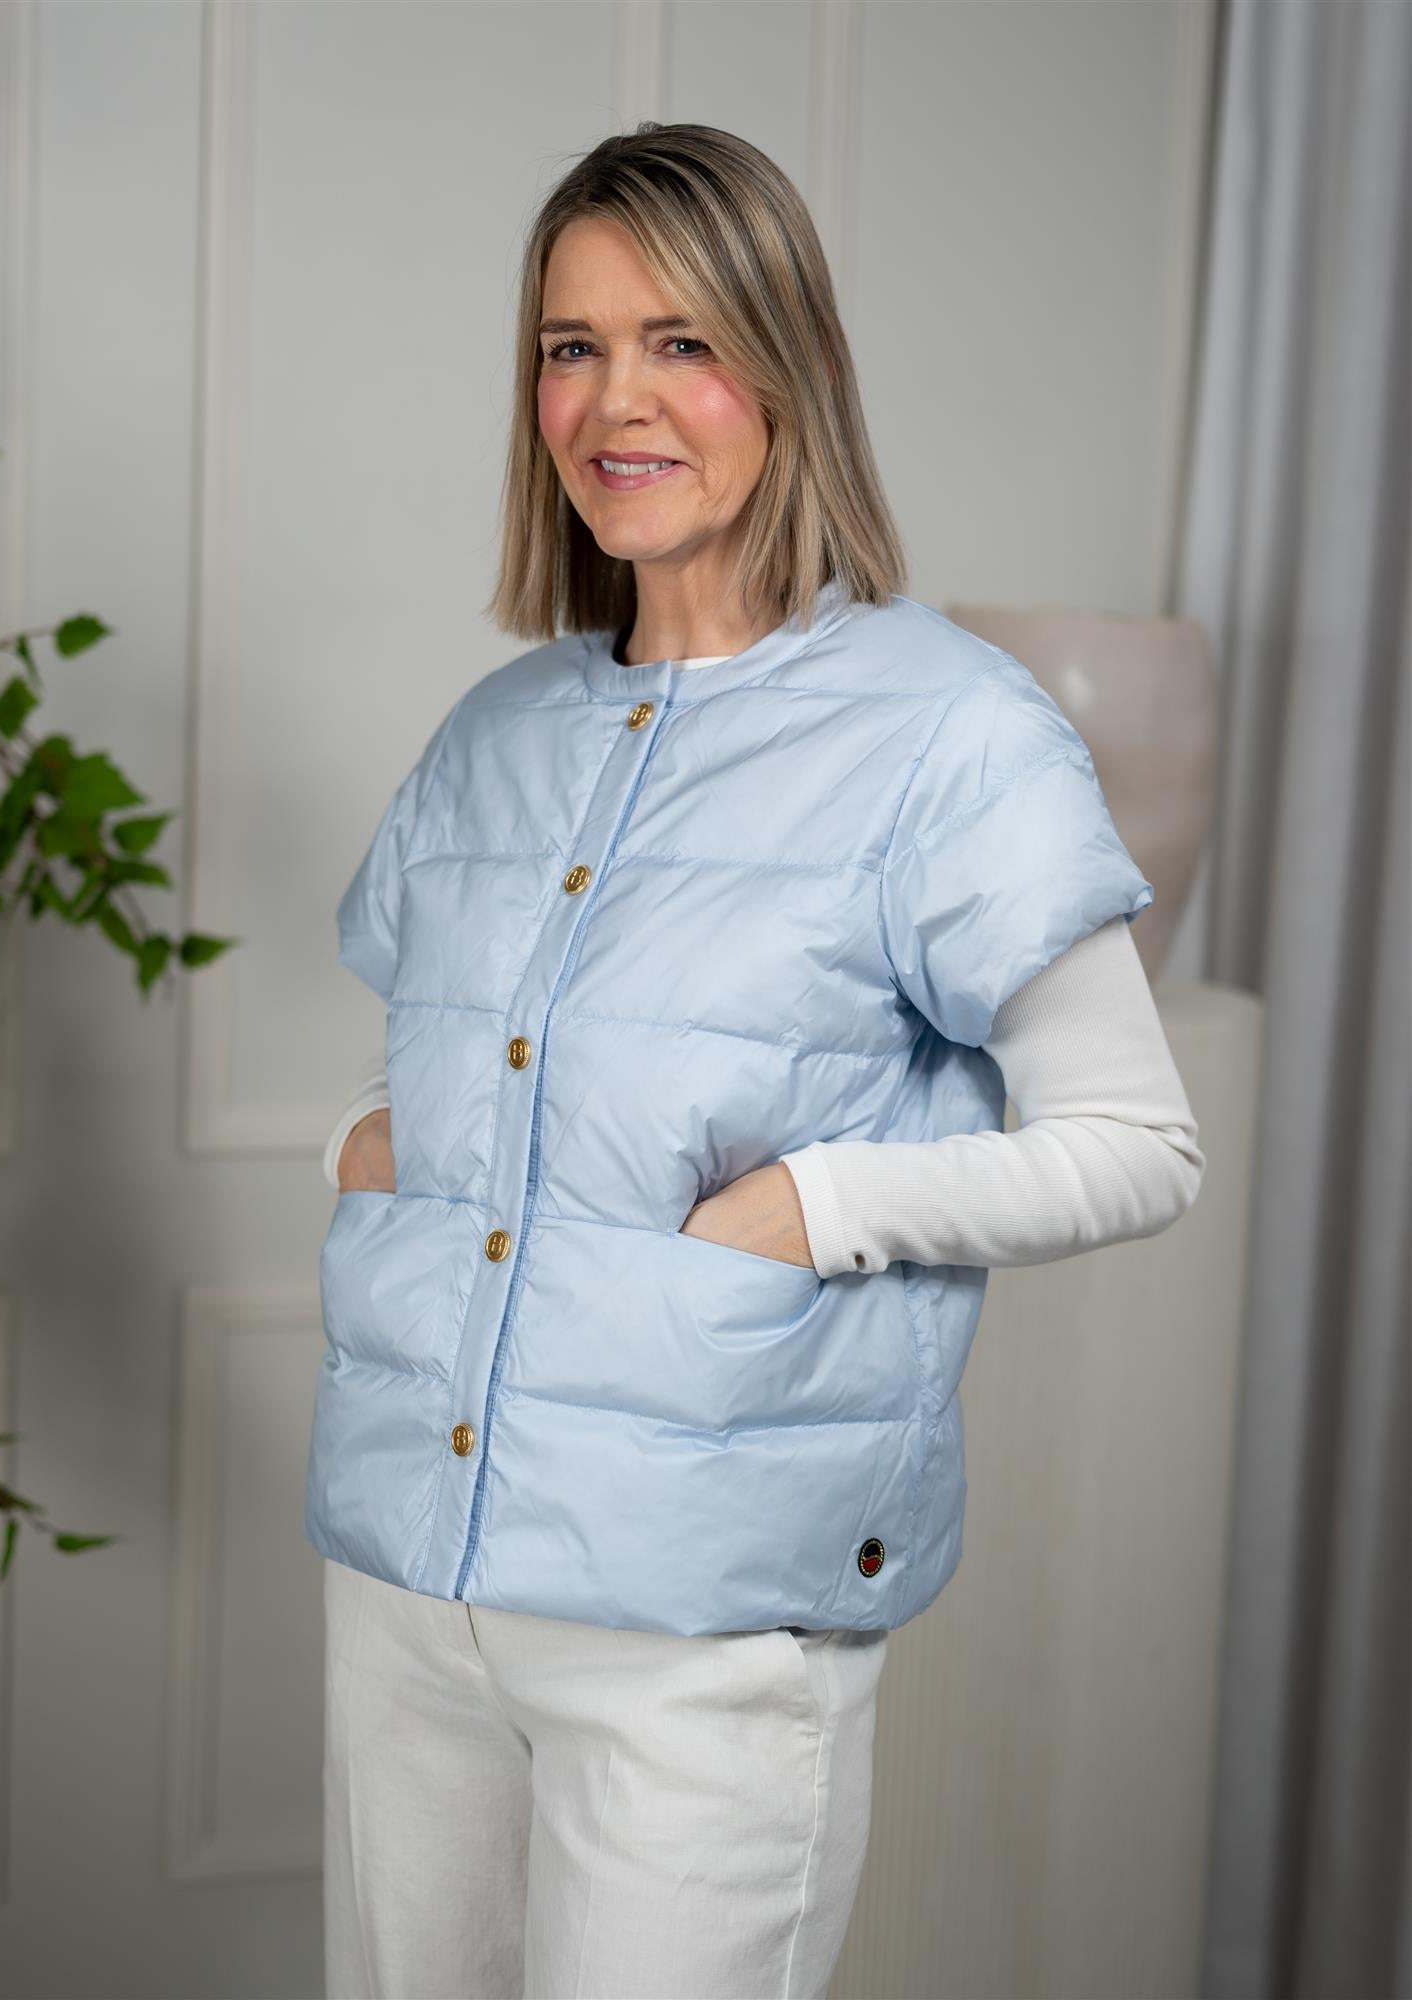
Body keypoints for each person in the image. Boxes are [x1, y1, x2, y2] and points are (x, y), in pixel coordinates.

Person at [306, 122, 1205, 2000]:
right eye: (570, 347)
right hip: (412, 1593)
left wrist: (812, 1205)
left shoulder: (949, 734)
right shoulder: (495, 734)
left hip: (702, 1628)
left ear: (788, 369)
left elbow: (1138, 1142)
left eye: (680, 342)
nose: (614, 401)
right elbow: (476, 1067)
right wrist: (363, 1151)